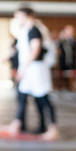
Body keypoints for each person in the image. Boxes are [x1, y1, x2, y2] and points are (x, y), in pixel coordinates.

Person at [5, 7, 59, 140]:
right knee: (22, 94)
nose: (17, 19)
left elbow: (35, 49)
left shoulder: (35, 29)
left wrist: (23, 68)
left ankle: (53, 128)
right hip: (29, 68)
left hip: (36, 68)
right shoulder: (25, 30)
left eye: (18, 16)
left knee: (43, 97)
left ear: (26, 15)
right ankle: (18, 123)